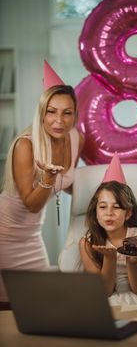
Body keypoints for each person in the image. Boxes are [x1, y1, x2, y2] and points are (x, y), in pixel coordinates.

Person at [0, 60, 84, 309]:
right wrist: (47, 178)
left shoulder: (76, 139)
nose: (59, 120)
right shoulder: (25, 145)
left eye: (67, 112)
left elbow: (67, 184)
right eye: (52, 111)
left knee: (38, 304)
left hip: (31, 236)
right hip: (4, 234)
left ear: (74, 115)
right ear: (41, 113)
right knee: (6, 309)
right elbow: (32, 204)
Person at [79, 153, 137, 305]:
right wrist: (110, 259)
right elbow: (104, 292)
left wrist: (132, 262)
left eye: (117, 207)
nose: (109, 213)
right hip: (104, 300)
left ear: (128, 213)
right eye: (102, 206)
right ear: (95, 211)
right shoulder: (87, 243)